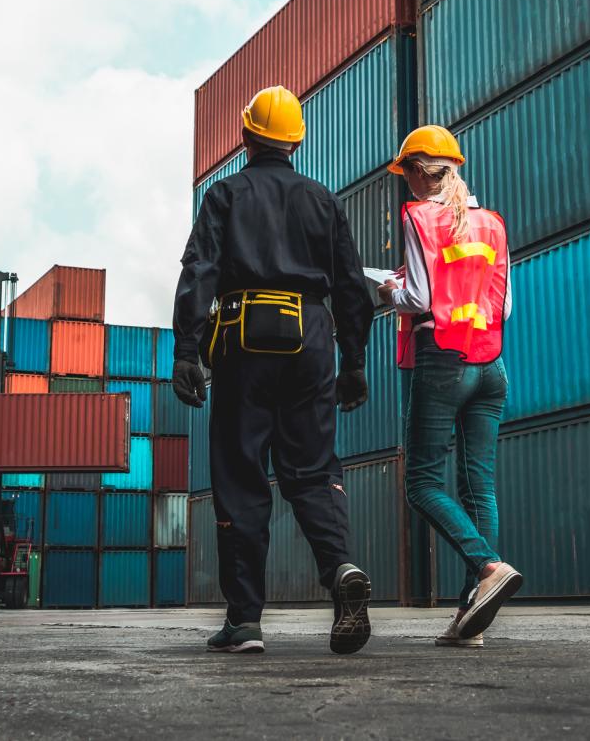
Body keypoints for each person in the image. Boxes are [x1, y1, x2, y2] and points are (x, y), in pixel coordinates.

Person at [172, 85, 375, 655]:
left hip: (245, 339)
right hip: (312, 340)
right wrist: (354, 363)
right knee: (311, 471)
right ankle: (339, 571)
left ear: (246, 135)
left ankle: (245, 621)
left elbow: (200, 272)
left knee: (241, 475)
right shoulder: (323, 200)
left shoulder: (224, 195)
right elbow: (352, 290)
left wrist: (187, 351)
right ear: (295, 143)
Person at [378, 124, 523, 647]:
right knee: (478, 486)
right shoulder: (492, 224)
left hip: (442, 362)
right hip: (491, 366)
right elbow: (503, 307)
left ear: (418, 171)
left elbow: (417, 299)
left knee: (421, 483)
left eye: (405, 174)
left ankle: (487, 567)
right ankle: (471, 618)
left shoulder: (419, 216)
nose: (405, 184)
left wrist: (390, 288)